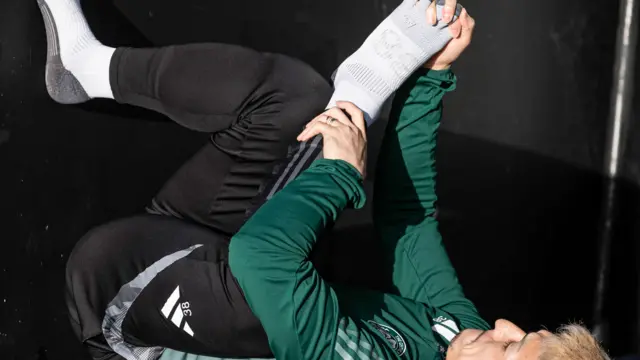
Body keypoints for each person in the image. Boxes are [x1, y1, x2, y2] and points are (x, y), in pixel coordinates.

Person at [34, 0, 612, 359]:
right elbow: (409, 224)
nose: (505, 324)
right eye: (526, 331)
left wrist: (339, 173)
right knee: (297, 98)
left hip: (123, 298)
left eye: (512, 349)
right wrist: (429, 81)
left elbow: (265, 261)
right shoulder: (459, 334)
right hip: (200, 250)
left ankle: (360, 94)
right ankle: (90, 69)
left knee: (278, 308)